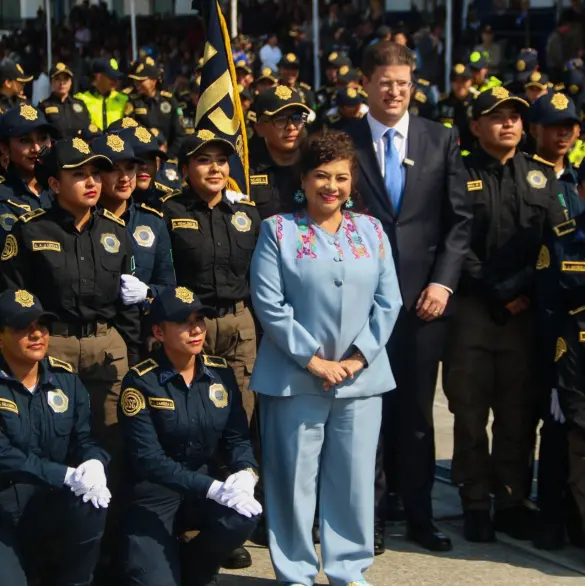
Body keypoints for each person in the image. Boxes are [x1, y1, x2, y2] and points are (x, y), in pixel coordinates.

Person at [250, 130, 402, 585]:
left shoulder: (372, 231)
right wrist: (314, 360)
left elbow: (388, 301)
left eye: (341, 177)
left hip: (360, 381)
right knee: (292, 483)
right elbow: (269, 303)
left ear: (353, 181)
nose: (331, 186)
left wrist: (358, 359)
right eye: (321, 176)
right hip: (294, 380)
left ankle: (348, 569)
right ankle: (295, 572)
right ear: (303, 178)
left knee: (353, 483)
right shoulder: (278, 230)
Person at [342, 41, 472, 553]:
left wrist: (442, 283)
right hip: (361, 305)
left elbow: (459, 221)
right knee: (368, 413)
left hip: (425, 304)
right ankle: (369, 518)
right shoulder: (344, 140)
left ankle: (420, 515)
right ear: (365, 84)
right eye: (384, 82)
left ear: (413, 84)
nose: (394, 91)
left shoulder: (440, 140)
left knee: (417, 415)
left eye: (403, 82)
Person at [445, 87, 566, 543]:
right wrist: (494, 288)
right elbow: (453, 238)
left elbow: (552, 238)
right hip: (473, 309)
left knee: (516, 414)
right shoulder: (458, 173)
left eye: (515, 116)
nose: (508, 124)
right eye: (497, 117)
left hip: (524, 312)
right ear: (475, 126)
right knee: (470, 412)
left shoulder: (539, 175)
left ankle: (512, 500)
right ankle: (475, 501)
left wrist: (519, 289)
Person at [0, 137, 141, 459]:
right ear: (53, 183)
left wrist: (130, 355)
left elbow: (128, 303)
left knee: (112, 439)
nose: (92, 182)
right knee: (51, 439)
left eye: (95, 173)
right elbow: (12, 298)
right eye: (78, 174)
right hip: (51, 347)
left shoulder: (115, 231)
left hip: (107, 347)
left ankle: (107, 508)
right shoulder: (30, 231)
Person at [118, 286, 261, 586]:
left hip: (200, 486)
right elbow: (148, 459)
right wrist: (211, 487)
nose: (196, 329)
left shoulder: (220, 373)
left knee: (245, 512)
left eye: (199, 319)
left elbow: (236, 438)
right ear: (158, 331)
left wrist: (246, 472)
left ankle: (196, 570)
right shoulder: (141, 381)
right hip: (153, 494)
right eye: (183, 322)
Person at [0, 288, 110, 586]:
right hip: (4, 505)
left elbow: (84, 437)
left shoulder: (65, 379)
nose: (36, 335)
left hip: (49, 498)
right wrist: (65, 475)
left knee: (92, 501)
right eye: (24, 328)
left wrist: (94, 462)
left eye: (42, 327)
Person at [161, 129, 260, 423]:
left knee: (241, 412)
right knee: (191, 412)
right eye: (204, 160)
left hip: (238, 325)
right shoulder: (168, 211)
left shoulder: (248, 213)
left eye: (222, 160)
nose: (216, 168)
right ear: (184, 169)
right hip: (189, 325)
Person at [90, 132, 176, 304]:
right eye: (114, 169)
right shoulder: (83, 221)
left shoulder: (153, 222)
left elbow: (168, 286)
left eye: (129, 168)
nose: (124, 178)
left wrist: (147, 292)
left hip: (142, 323)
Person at [0, 105, 59, 249]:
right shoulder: (2, 193)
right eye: (25, 141)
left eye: (43, 138)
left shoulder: (63, 188)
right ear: (4, 147)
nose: (37, 149)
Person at [249, 86, 312, 219]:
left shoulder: (315, 164)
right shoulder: (247, 170)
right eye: (280, 119)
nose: (291, 127)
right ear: (260, 128)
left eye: (297, 118)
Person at [530, 92, 583, 219]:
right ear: (534, 129)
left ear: (577, 131)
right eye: (553, 124)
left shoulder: (579, 178)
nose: (563, 132)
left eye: (568, 125)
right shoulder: (518, 177)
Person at [125, 58, 186, 159]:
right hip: (141, 158)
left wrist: (167, 157)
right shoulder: (133, 102)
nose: (137, 84)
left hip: (168, 158)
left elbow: (180, 134)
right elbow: (128, 130)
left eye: (141, 81)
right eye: (136, 81)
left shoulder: (169, 101)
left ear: (153, 81)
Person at [38, 62, 92, 138]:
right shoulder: (44, 105)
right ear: (51, 82)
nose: (62, 83)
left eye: (65, 79)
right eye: (57, 79)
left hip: (79, 148)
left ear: (70, 82)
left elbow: (88, 128)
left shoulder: (80, 103)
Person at [75, 58, 128, 131]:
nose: (115, 81)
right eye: (111, 77)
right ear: (99, 77)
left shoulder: (124, 99)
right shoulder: (79, 100)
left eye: (116, 77)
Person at [437, 63, 475, 152]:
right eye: (456, 80)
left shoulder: (476, 102)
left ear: (471, 81)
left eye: (464, 80)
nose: (460, 84)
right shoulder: (443, 103)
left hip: (471, 152)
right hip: (447, 151)